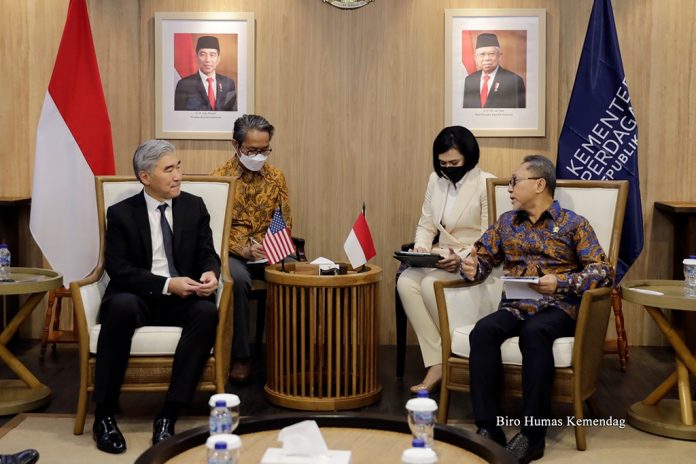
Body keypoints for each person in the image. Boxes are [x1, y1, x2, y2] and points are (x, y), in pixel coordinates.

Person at [460, 155, 613, 463]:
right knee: (483, 332)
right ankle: (489, 428)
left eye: (515, 181)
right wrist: (472, 267)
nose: (509, 188)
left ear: (540, 184)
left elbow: (603, 271)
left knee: (535, 332)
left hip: (560, 307)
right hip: (516, 305)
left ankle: (532, 435)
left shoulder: (573, 224)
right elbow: (483, 260)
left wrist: (561, 282)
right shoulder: (506, 222)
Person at [92, 140, 220, 454]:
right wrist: (166, 284)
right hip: (138, 294)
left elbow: (207, 252)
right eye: (169, 169)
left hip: (183, 296)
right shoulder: (121, 213)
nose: (178, 176)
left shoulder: (194, 206)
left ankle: (168, 414)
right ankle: (104, 415)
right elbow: (119, 269)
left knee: (206, 313)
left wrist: (210, 272)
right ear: (145, 177)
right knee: (120, 307)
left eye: (178, 166)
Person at [396, 126, 494, 393]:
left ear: (469, 158)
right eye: (443, 164)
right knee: (406, 281)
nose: (448, 168)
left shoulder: (486, 183)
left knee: (430, 285)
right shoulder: (435, 180)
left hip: (472, 259)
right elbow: (426, 224)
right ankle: (437, 361)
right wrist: (420, 249)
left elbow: (488, 237)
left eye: (454, 163)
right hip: (440, 255)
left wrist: (460, 259)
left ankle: (459, 356)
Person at [210, 114, 292, 382]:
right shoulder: (219, 179)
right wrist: (242, 249)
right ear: (236, 145)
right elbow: (212, 229)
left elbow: (285, 220)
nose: (258, 156)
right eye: (252, 151)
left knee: (294, 273)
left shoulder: (276, 177)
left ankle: (290, 352)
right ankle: (241, 356)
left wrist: (272, 245)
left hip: (270, 249)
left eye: (264, 150)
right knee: (237, 279)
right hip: (233, 253)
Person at [174, 36, 237, 111]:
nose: (207, 60)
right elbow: (179, 115)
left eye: (212, 55)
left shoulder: (228, 83)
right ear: (196, 57)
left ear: (218, 59)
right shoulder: (184, 85)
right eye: (203, 54)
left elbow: (232, 113)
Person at [463, 33, 526, 109]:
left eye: (491, 54)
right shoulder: (469, 80)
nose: (487, 58)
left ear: (499, 56)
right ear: (475, 58)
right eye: (482, 54)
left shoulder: (514, 81)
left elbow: (520, 113)